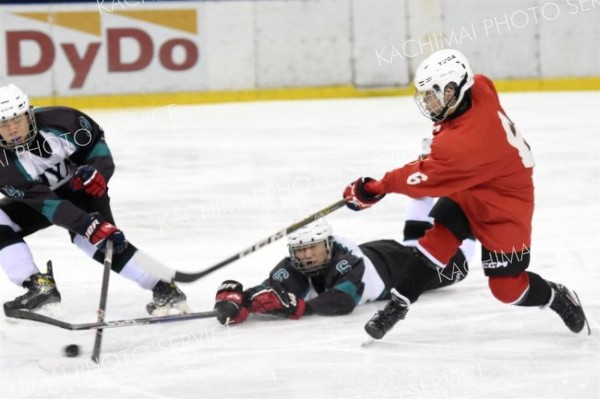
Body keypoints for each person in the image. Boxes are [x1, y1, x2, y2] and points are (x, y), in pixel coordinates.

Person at [342, 48, 590, 339]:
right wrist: (442, 160)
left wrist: (373, 188)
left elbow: (419, 178)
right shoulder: (479, 86)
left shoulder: (464, 145)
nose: (428, 102)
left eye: (433, 94)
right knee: (436, 241)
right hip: (476, 182)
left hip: (507, 202)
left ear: (453, 88)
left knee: (507, 289)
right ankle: (397, 306)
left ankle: (556, 296)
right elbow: (446, 158)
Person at [0, 83, 190, 316]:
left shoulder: (62, 120)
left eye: (17, 120)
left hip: (83, 191)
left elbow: (97, 146)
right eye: (3, 124)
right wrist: (85, 225)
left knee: (105, 242)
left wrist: (96, 173)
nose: (12, 130)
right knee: (92, 233)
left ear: (29, 113)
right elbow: (46, 203)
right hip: (40, 202)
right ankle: (38, 286)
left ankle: (163, 284)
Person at [212, 197, 475, 325]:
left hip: (401, 264)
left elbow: (344, 300)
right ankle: (425, 181)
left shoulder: (348, 261)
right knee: (415, 240)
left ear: (327, 245)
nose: (305, 255)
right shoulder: (291, 265)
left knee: (459, 263)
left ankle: (468, 194)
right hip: (384, 252)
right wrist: (239, 302)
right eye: (300, 250)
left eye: (312, 248)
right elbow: (271, 289)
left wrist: (302, 307)